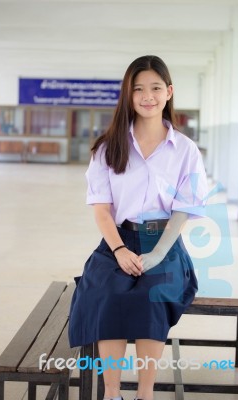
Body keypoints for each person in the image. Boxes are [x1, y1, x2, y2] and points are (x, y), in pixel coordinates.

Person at [68, 55, 208, 400]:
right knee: (106, 293)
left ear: (169, 92)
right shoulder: (108, 147)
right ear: (128, 96)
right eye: (138, 89)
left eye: (155, 88)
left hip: (165, 240)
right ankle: (111, 393)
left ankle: (144, 394)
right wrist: (118, 249)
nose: (148, 96)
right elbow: (102, 209)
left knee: (151, 297)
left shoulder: (185, 150)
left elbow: (184, 209)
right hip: (119, 238)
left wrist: (158, 253)